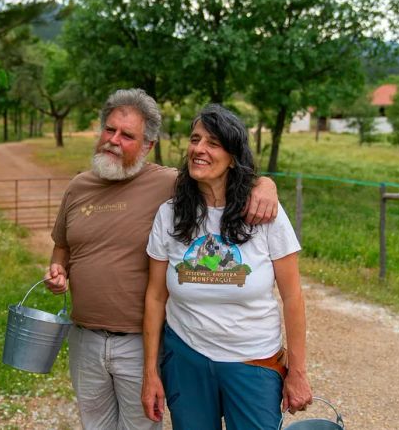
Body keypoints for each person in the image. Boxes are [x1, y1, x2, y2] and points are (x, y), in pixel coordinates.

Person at [43, 88, 280, 430]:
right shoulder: (79, 187)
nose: (113, 140)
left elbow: (221, 172)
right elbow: (62, 248)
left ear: (147, 146)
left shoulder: (169, 185)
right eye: (109, 130)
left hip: (140, 342)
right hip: (85, 339)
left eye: (127, 135)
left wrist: (265, 184)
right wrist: (57, 271)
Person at [142, 104, 312, 429]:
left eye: (213, 143)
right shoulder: (170, 214)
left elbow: (293, 298)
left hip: (253, 361)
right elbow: (155, 297)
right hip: (185, 357)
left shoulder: (265, 214)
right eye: (195, 139)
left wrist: (298, 373)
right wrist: (151, 372)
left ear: (233, 156)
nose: (199, 149)